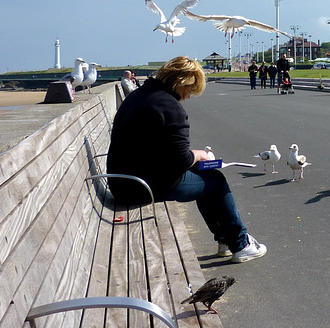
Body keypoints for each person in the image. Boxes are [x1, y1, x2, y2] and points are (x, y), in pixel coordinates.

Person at [107, 56, 267, 263]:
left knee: (205, 179)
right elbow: (180, 161)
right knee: (216, 181)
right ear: (181, 83)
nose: (188, 96)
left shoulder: (139, 95)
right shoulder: (170, 107)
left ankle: (226, 240)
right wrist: (200, 155)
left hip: (122, 182)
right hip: (141, 187)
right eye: (190, 90)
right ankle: (241, 244)